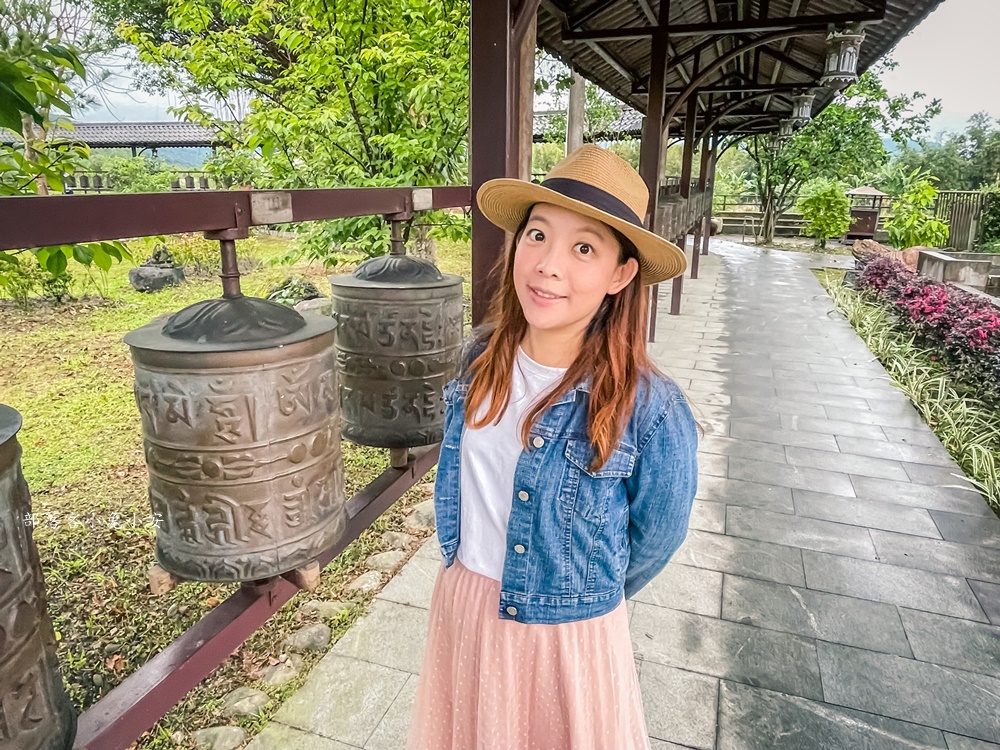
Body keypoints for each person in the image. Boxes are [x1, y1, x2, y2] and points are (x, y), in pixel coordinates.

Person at [406, 144, 700, 750]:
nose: (547, 265)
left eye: (584, 248)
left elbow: (655, 538)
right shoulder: (478, 358)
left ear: (621, 275)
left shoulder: (651, 407)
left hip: (567, 633)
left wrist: (578, 590)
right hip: (465, 604)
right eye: (537, 235)